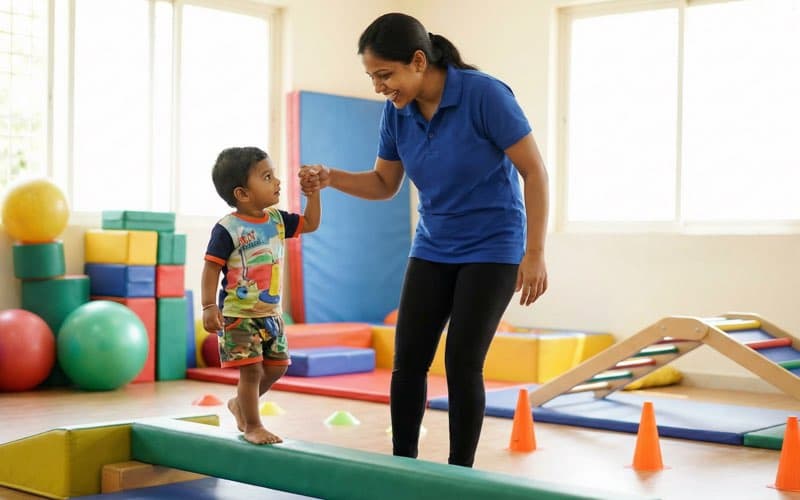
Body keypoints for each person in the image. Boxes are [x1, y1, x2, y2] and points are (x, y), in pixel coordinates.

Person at [299, 13, 549, 467]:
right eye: (372, 77)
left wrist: (534, 254)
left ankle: (459, 474)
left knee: (461, 362)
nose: (379, 87)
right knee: (408, 360)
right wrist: (330, 178)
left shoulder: (484, 94)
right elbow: (383, 183)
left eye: (384, 75)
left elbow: (534, 171)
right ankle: (403, 465)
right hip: (434, 245)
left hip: (493, 247)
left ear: (418, 61)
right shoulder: (397, 113)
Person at [202, 146, 320, 445]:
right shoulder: (228, 228)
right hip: (238, 315)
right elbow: (211, 268)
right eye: (267, 177)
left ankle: (241, 405)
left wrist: (314, 195)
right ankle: (253, 425)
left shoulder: (278, 221)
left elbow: (312, 223)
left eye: (274, 174)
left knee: (278, 366)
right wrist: (207, 306)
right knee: (251, 371)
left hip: (270, 313)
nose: (277, 181)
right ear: (242, 194)